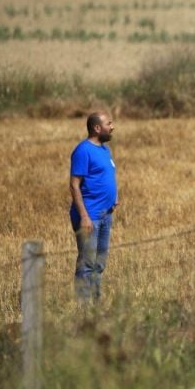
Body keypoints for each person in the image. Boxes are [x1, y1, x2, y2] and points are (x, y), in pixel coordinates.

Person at [69, 111, 118, 305]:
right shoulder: (83, 151)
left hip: (105, 215)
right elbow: (74, 184)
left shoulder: (105, 150)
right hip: (90, 216)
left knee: (99, 264)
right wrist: (84, 216)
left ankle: (96, 304)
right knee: (87, 264)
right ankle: (83, 307)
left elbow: (109, 174)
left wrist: (115, 196)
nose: (112, 127)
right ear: (97, 128)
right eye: (109, 123)